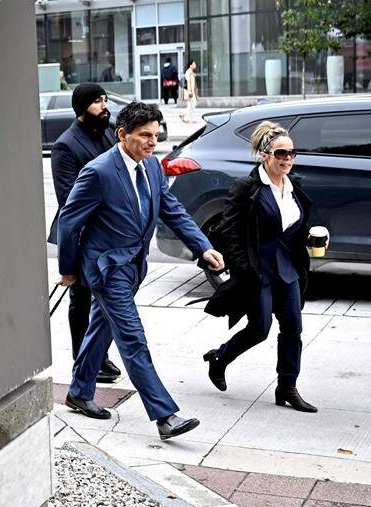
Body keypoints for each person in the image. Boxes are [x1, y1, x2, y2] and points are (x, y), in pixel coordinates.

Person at [56, 102, 225, 439]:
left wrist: (203, 247)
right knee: (132, 338)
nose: (153, 141)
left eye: (156, 133)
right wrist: (69, 269)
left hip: (134, 266)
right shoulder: (98, 171)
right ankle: (165, 415)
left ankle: (79, 391)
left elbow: (172, 210)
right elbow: (69, 222)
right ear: (123, 135)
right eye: (145, 135)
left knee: (101, 328)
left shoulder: (151, 168)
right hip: (106, 268)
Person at [202, 122, 317, 412]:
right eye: (281, 153)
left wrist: (312, 237)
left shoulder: (294, 187)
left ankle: (287, 387)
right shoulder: (248, 188)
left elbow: (293, 228)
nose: (287, 158)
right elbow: (229, 231)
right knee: (259, 329)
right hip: (258, 271)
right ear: (265, 154)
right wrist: (243, 267)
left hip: (288, 269)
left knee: (293, 328)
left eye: (292, 153)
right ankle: (220, 358)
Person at [48, 83, 122, 384]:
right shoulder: (66, 145)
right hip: (81, 232)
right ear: (81, 108)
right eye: (96, 102)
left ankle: (98, 355)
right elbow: (68, 200)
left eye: (104, 100)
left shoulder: (107, 130)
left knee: (103, 298)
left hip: (107, 230)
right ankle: (84, 360)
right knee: (82, 299)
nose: (104, 106)